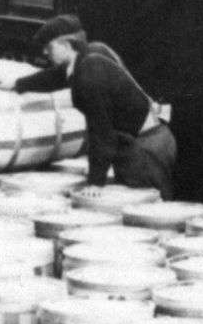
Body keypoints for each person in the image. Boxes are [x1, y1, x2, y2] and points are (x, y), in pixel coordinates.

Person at [15, 13, 178, 198]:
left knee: (147, 215)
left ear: (66, 45)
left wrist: (96, 182)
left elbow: (101, 131)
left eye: (49, 47)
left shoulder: (89, 76)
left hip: (144, 151)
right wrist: (18, 85)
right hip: (156, 140)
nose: (45, 52)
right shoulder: (94, 52)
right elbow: (57, 76)